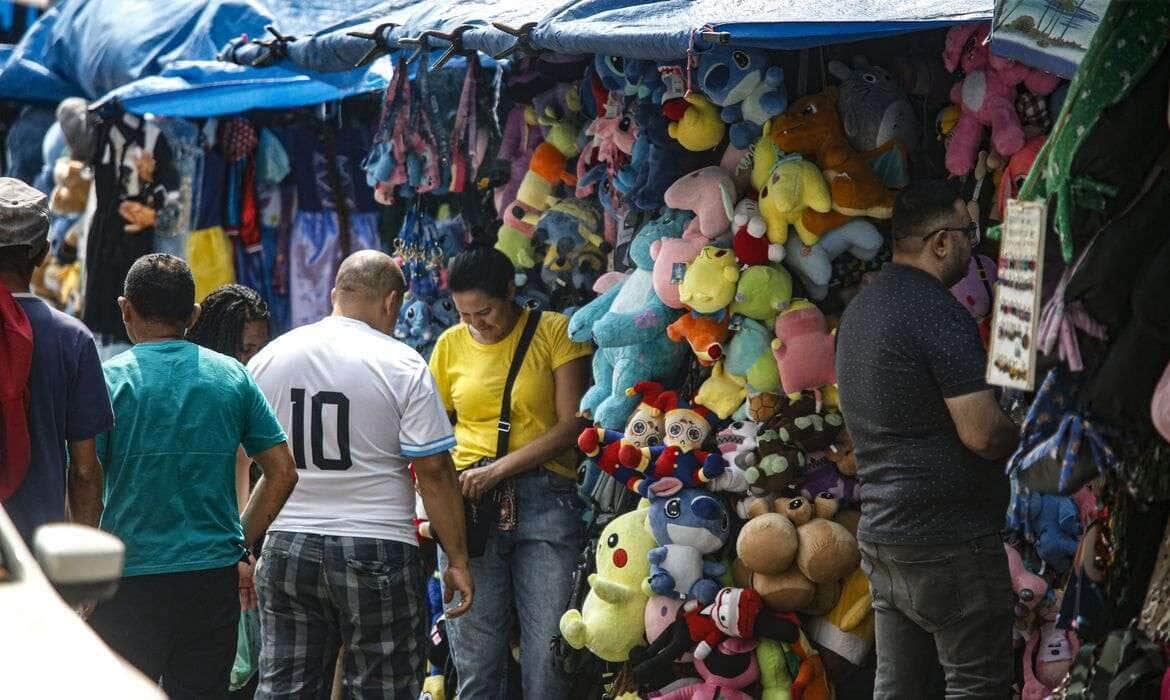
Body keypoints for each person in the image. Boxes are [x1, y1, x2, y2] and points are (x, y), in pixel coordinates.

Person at [247, 249, 473, 699]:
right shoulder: (403, 364)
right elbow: (433, 473)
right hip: (378, 548)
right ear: (392, 302)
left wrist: (241, 543)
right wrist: (458, 560)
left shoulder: (271, 358)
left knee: (284, 687)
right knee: (382, 687)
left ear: (335, 294)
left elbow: (243, 460)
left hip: (287, 545)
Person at [835, 179, 1019, 698]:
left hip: (886, 536)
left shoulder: (863, 310)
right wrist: (1026, 432)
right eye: (968, 231)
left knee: (899, 687)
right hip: (946, 540)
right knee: (976, 686)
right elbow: (983, 433)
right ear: (941, 242)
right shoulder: (935, 310)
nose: (972, 243)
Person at [88, 253, 299, 699]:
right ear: (194, 314)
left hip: (124, 579)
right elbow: (282, 472)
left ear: (125, 308)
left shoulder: (107, 382)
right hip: (210, 580)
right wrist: (240, 541)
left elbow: (86, 477)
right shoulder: (232, 378)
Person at [427, 247, 592, 699]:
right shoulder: (448, 346)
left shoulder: (555, 332)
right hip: (470, 507)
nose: (476, 324)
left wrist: (499, 470)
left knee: (549, 653)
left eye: (485, 311)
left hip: (546, 500)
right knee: (476, 658)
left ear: (510, 292)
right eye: (464, 315)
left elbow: (572, 426)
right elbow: (431, 438)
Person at [0, 177, 110, 543]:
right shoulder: (72, 339)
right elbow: (83, 470)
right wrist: (81, 564)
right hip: (39, 556)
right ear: (43, 252)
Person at [186, 282, 274, 698]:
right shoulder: (225, 386)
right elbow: (243, 469)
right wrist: (243, 551)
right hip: (218, 553)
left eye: (260, 348)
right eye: (245, 349)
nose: (253, 360)